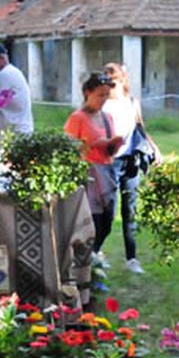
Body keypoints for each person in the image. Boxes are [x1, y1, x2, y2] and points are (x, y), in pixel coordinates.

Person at [65, 73, 124, 261]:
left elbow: (110, 150)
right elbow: (68, 148)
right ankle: (87, 257)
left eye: (107, 95)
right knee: (93, 220)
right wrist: (91, 145)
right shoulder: (77, 118)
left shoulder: (107, 117)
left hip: (107, 171)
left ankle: (94, 253)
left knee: (108, 219)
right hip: (88, 173)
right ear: (87, 93)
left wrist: (113, 144)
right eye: (100, 95)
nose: (104, 99)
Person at [102, 61, 150, 275]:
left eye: (112, 82)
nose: (109, 86)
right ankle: (96, 255)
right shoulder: (102, 105)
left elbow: (141, 128)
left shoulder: (132, 102)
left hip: (131, 161)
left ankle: (131, 258)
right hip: (110, 162)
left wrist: (153, 148)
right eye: (106, 82)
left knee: (130, 211)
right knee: (107, 212)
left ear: (122, 82)